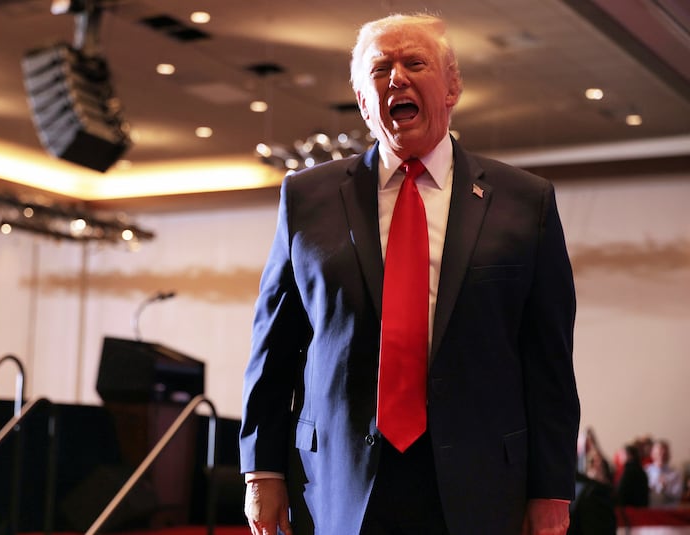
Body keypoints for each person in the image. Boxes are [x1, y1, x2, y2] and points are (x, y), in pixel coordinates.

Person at [239, 12, 580, 535]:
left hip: (482, 484)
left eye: (414, 63)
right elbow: (274, 345)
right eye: (380, 70)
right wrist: (260, 471)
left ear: (452, 87)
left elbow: (549, 362)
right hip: (336, 481)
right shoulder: (307, 198)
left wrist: (553, 489)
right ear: (362, 101)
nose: (396, 78)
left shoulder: (525, 202)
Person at [646, 439, 684, 506]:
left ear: (669, 454)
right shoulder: (646, 471)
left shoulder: (676, 474)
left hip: (668, 511)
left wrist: (665, 489)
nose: (662, 455)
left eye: (665, 453)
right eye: (660, 452)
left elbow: (677, 496)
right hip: (650, 511)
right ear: (652, 453)